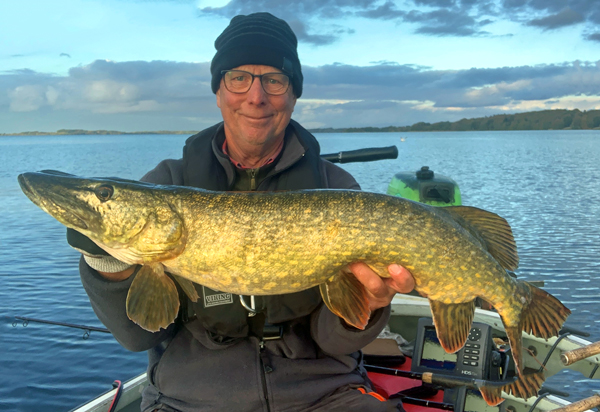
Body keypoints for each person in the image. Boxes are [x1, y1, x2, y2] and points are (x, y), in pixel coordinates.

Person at [68, 12, 415, 412]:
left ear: (293, 94)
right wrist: (104, 259)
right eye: (238, 78)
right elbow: (137, 336)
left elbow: (333, 340)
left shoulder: (336, 190)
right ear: (219, 91)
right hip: (189, 398)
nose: (256, 96)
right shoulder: (166, 182)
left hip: (323, 393)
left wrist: (371, 303)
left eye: (275, 80)